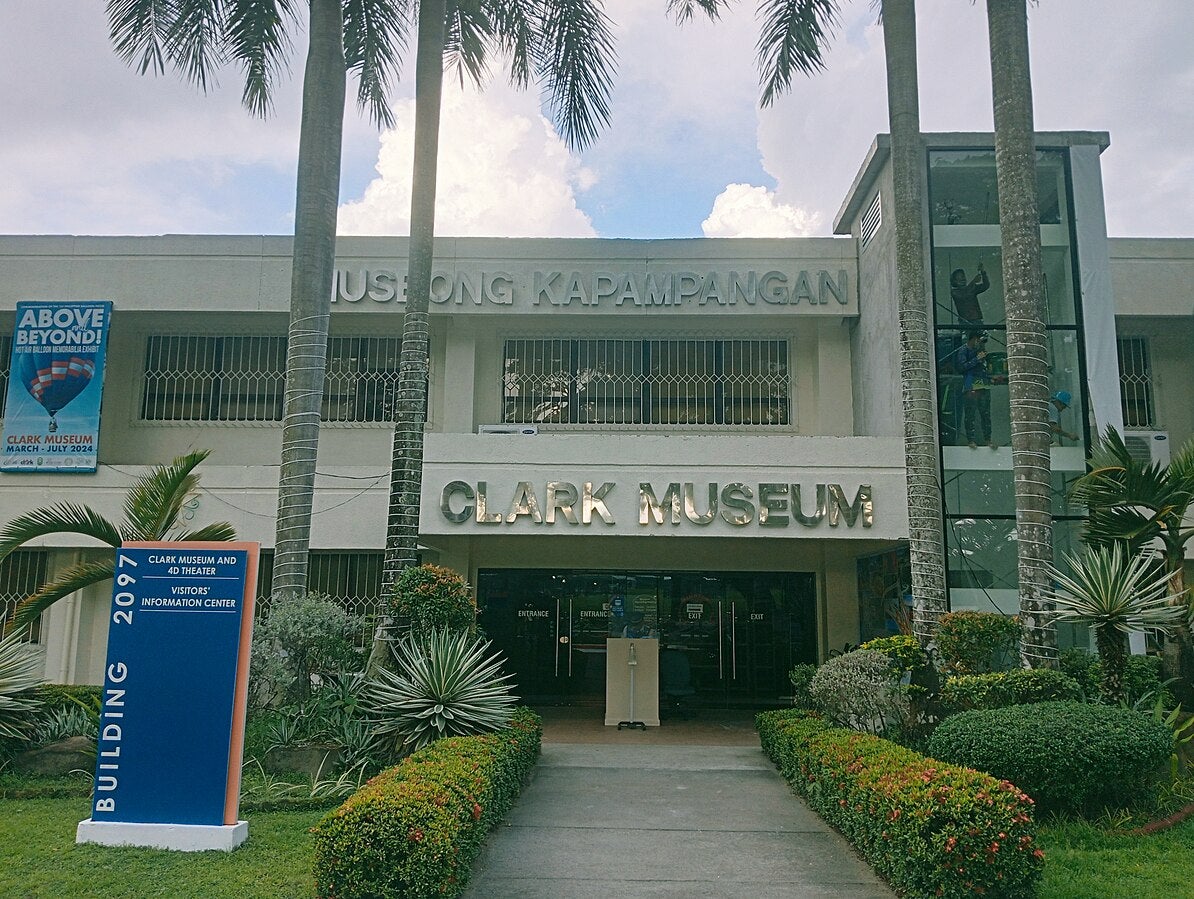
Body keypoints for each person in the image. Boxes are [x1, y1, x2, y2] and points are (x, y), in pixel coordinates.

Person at [959, 331, 996, 449]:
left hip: (983, 384)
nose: (981, 344)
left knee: (985, 413)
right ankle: (971, 439)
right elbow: (962, 367)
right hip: (971, 384)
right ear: (974, 339)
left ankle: (988, 439)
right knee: (970, 413)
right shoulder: (964, 350)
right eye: (980, 341)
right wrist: (977, 359)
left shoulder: (981, 351)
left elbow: (985, 368)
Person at [950, 262, 990, 328]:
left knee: (981, 338)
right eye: (959, 278)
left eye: (963, 277)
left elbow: (986, 285)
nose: (962, 279)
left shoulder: (971, 288)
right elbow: (964, 295)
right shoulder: (955, 292)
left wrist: (983, 273)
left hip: (978, 320)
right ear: (954, 281)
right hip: (965, 322)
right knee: (967, 338)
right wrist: (974, 281)